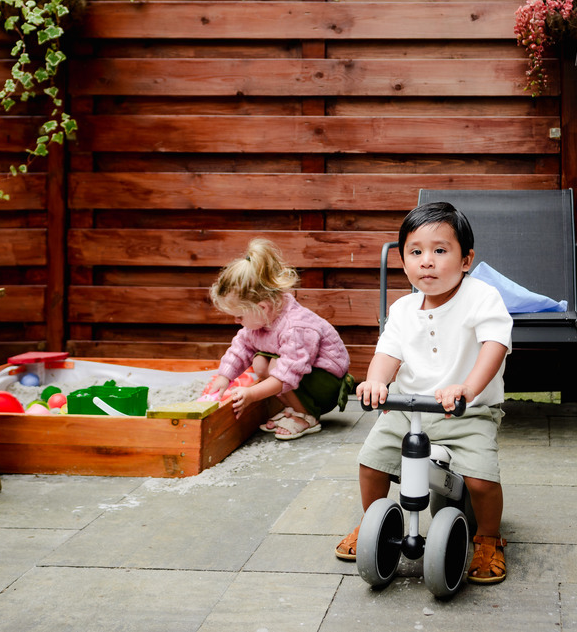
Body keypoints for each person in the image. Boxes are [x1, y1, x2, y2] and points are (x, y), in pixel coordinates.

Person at [335, 202, 512, 585]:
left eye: (440, 250)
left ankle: (488, 536)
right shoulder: (402, 308)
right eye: (416, 252)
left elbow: (494, 346)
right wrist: (377, 381)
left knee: (481, 479)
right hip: (408, 407)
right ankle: (372, 523)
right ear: (404, 262)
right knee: (372, 461)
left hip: (468, 409)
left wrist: (467, 388)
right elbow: (388, 352)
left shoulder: (482, 298)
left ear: (466, 260)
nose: (426, 262)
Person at [206, 238, 354, 440]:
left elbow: (287, 374)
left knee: (274, 364)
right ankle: (295, 409)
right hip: (303, 379)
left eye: (239, 316)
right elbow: (240, 349)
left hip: (328, 385)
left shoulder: (296, 327)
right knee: (260, 362)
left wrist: (251, 394)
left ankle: (307, 416)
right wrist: (224, 377)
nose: (236, 320)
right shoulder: (261, 321)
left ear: (262, 307)